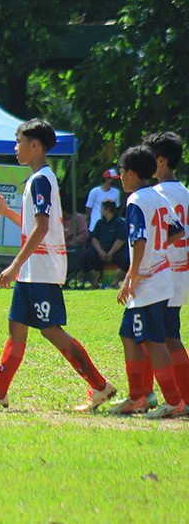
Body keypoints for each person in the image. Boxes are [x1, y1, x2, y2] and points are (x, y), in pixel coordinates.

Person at [0, 119, 116, 410]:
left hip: (41, 269)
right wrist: (5, 210)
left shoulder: (42, 179)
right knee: (16, 327)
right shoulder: (38, 179)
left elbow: (42, 228)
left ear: (34, 146)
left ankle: (100, 386)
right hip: (33, 270)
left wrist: (14, 264)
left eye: (18, 142)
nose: (15, 147)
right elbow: (36, 225)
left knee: (51, 331)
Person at [107, 145, 186, 418]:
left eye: (121, 173)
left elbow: (139, 239)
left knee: (154, 341)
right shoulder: (156, 196)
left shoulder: (135, 201)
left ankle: (173, 401)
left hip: (149, 283)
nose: (120, 178)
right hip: (159, 278)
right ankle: (136, 398)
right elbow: (177, 232)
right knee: (128, 335)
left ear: (130, 173)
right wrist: (157, 251)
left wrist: (133, 275)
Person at [143, 132, 189, 406]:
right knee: (163, 335)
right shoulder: (185, 192)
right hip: (181, 273)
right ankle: (160, 394)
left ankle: (170, 397)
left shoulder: (154, 195)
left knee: (160, 336)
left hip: (160, 274)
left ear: (160, 161)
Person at [79, 200, 128, 288]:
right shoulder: (99, 223)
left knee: (126, 259)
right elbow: (94, 238)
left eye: (102, 208)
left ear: (107, 209)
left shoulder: (119, 222)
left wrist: (110, 254)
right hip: (100, 251)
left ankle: (114, 282)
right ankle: (95, 282)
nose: (101, 210)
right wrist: (100, 251)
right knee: (85, 258)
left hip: (115, 251)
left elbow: (120, 240)